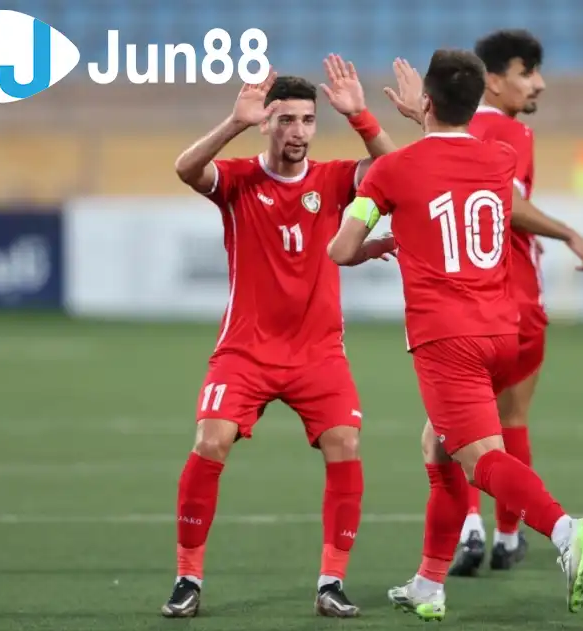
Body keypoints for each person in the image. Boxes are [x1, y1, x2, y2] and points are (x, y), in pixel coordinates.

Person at [328, 48, 583, 621]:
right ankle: (428, 584)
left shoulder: (391, 172)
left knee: (480, 461)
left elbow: (342, 249)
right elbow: (446, 158)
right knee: (438, 446)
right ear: (476, 103)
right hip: (502, 331)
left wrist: (380, 242)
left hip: (447, 339)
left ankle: (564, 529)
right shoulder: (499, 157)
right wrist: (425, 118)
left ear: (426, 101)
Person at [161, 55, 397, 619]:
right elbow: (186, 168)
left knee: (346, 444)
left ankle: (331, 583)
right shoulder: (239, 179)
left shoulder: (334, 179)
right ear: (266, 122)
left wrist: (361, 116)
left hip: (318, 351)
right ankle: (188, 577)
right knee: (210, 441)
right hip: (246, 350)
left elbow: (394, 170)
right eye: (286, 119)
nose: (298, 131)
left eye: (307, 120)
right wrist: (233, 122)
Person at [388, 30, 583, 575]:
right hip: (509, 304)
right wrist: (569, 233)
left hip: (462, 310)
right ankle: (508, 537)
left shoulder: (456, 133)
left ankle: (470, 535)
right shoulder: (507, 134)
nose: (539, 84)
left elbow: (420, 171)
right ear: (493, 81)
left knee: (449, 434)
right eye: (528, 72)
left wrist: (414, 119)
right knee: (507, 421)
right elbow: (509, 201)